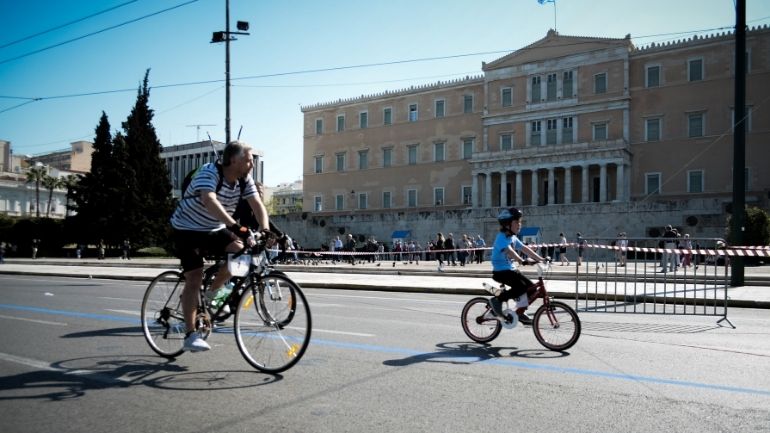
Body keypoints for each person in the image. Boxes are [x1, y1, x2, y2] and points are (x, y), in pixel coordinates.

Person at [170, 141, 270, 352]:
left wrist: (266, 229)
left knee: (241, 252)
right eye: (249, 160)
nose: (252, 164)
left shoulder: (244, 180)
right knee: (194, 277)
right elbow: (209, 200)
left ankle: (212, 293)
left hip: (213, 227)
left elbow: (257, 204)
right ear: (234, 160)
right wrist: (235, 226)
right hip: (186, 228)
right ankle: (190, 335)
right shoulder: (210, 172)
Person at [488, 208, 545, 325]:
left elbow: (524, 248)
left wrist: (540, 259)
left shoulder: (513, 237)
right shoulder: (501, 238)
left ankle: (520, 311)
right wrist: (521, 260)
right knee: (521, 288)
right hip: (501, 272)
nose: (519, 225)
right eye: (516, 222)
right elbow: (509, 251)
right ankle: (497, 300)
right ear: (507, 225)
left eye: (520, 222)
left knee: (532, 289)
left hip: (511, 270)